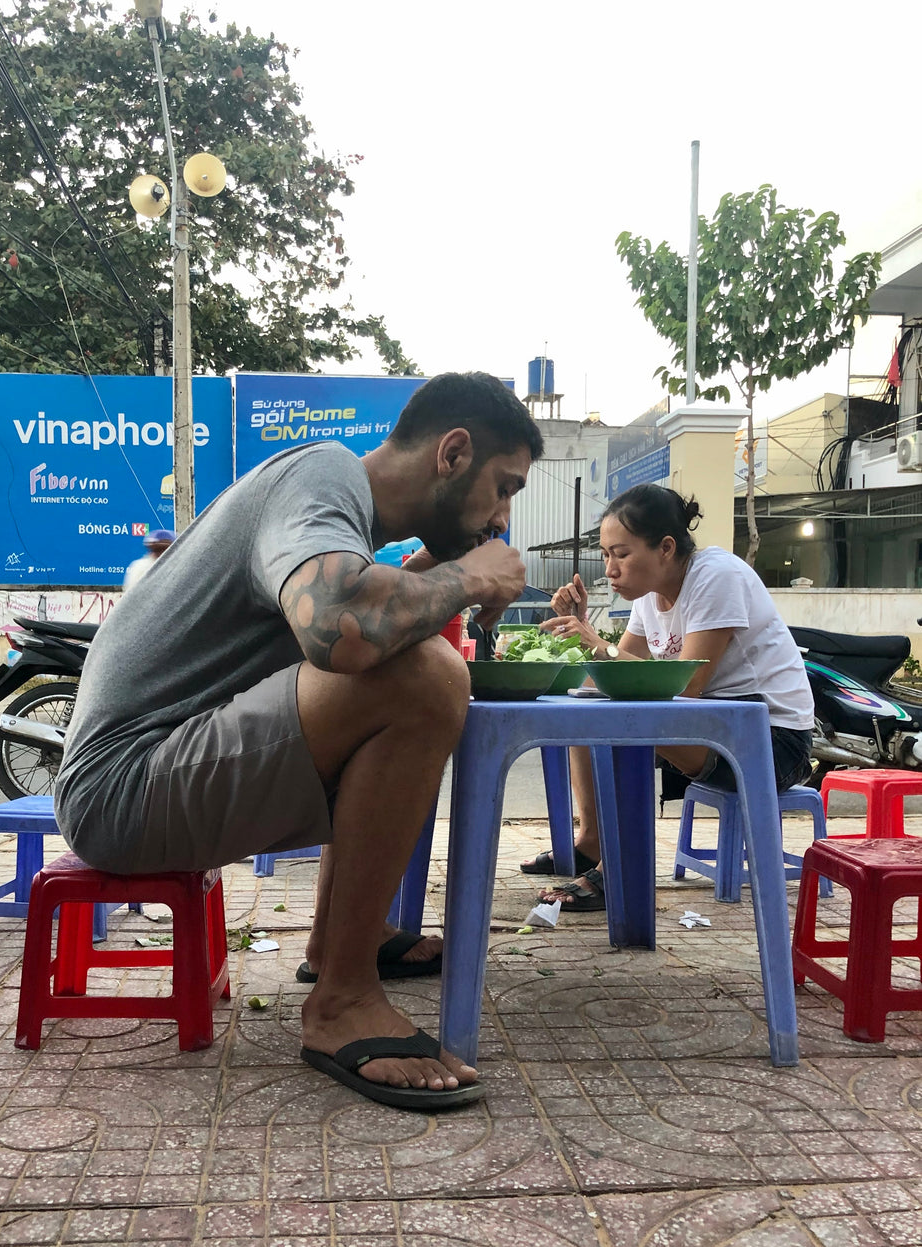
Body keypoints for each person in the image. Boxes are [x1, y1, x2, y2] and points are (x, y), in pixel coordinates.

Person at [55, 372, 544, 1109]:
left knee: (404, 661)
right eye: (503, 488)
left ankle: (342, 939)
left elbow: (354, 606)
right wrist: (471, 577)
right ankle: (343, 1001)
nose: (502, 517)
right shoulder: (322, 478)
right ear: (452, 453)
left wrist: (434, 575)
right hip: (122, 788)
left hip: (153, 765)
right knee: (428, 679)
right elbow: (338, 623)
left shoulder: (336, 506)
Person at [521, 483, 815, 910]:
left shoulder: (717, 575)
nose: (610, 569)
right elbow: (613, 678)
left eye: (621, 554)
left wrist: (596, 644)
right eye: (604, 555)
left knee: (626, 724)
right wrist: (578, 633)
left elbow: (686, 685)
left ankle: (617, 870)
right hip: (710, 730)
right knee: (587, 716)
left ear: (665, 548)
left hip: (771, 743)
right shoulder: (650, 596)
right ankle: (591, 842)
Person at [123, 527, 175, 591]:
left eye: (164, 549)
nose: (161, 553)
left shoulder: (177, 568)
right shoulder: (140, 567)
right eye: (156, 549)